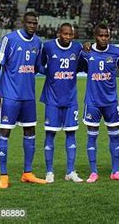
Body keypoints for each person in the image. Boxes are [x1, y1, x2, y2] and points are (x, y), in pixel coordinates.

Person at [0, 12, 46, 189]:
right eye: (29, 23)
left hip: (28, 96)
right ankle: (3, 175)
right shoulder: (10, 39)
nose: (32, 25)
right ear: (23, 23)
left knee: (30, 131)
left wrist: (54, 71)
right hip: (10, 96)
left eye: (35, 23)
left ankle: (27, 173)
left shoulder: (38, 42)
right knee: (5, 132)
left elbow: (37, 67)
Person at [81, 23, 119, 183]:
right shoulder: (86, 52)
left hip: (111, 102)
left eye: (106, 35)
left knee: (115, 136)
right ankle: (93, 172)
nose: (103, 38)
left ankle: (115, 171)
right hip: (93, 102)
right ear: (95, 36)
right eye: (101, 35)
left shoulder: (116, 52)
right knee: (92, 137)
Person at [40, 23, 85, 183]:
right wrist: (49, 73)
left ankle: (70, 172)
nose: (67, 37)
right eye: (65, 34)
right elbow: (39, 64)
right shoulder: (48, 47)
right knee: (50, 134)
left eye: (70, 34)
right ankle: (49, 172)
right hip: (52, 99)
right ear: (59, 33)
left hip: (71, 99)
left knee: (71, 133)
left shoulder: (77, 48)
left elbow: (80, 66)